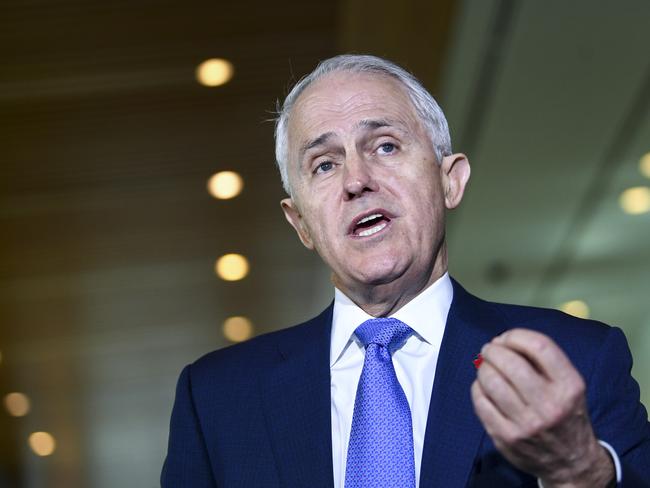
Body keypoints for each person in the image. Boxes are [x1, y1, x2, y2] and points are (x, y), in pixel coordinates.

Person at [161, 55, 650, 487]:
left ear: (450, 181)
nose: (356, 180)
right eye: (324, 165)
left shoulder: (580, 358)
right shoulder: (216, 399)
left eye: (386, 146)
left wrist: (581, 474)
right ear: (301, 223)